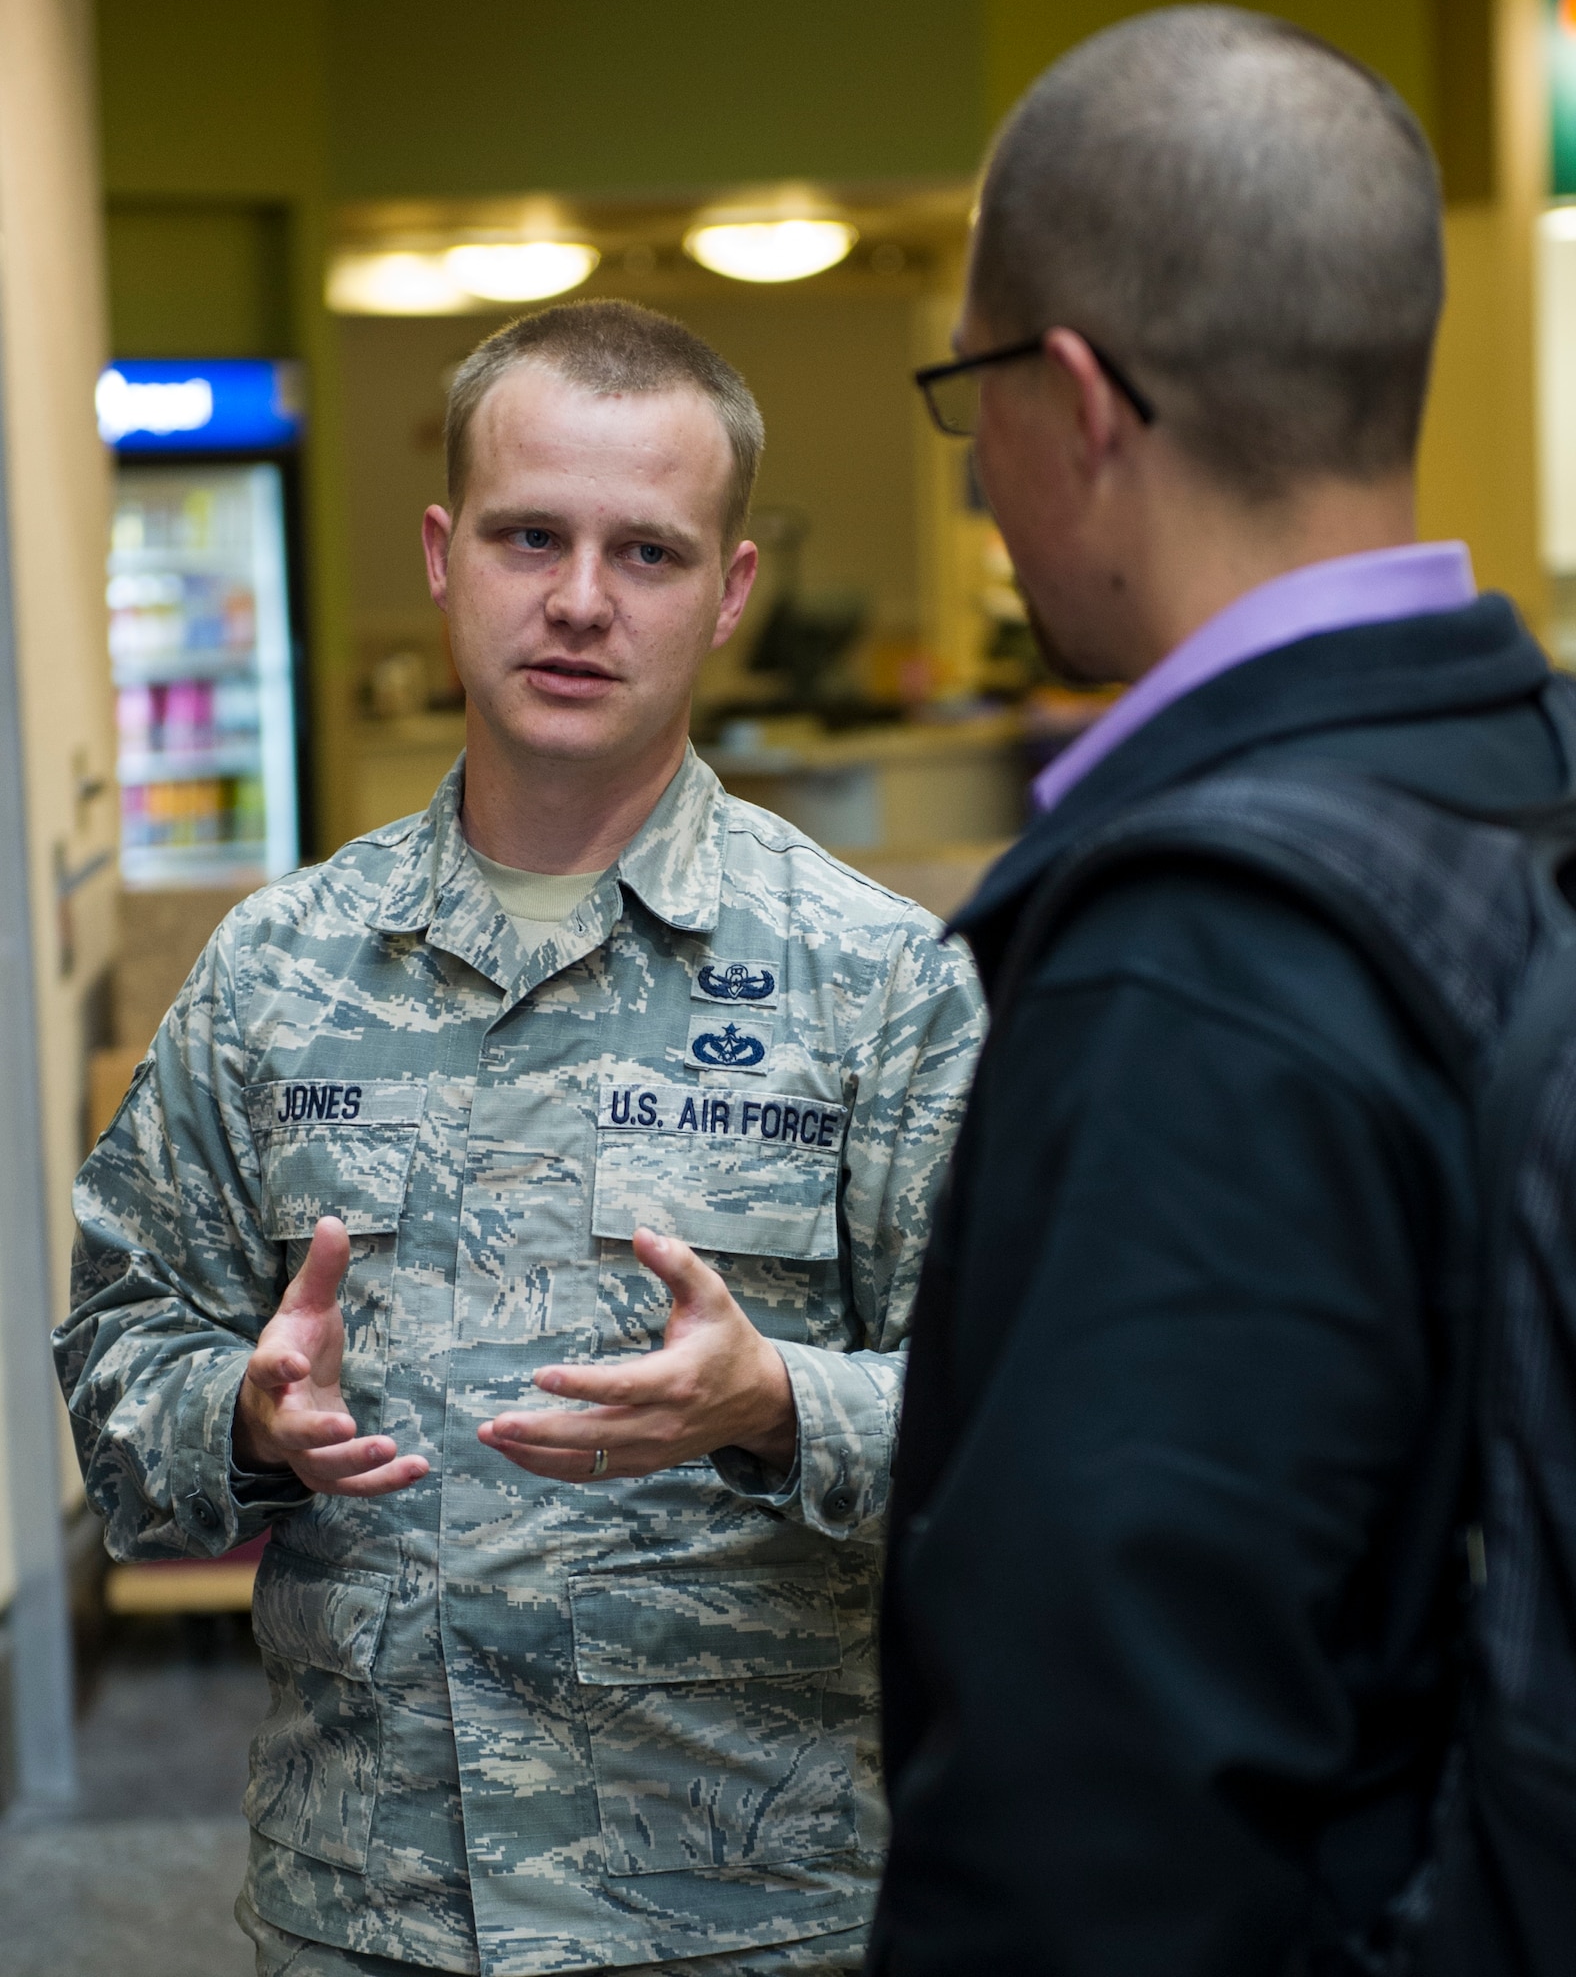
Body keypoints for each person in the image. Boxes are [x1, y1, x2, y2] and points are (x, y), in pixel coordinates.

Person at [57, 299, 983, 1977]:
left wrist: (780, 1403)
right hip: (372, 1910)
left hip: (746, 1918)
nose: (577, 599)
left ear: (732, 591)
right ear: (441, 552)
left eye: (646, 551)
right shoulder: (276, 975)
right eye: (528, 535)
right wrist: (247, 1421)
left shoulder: (880, 985)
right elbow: (117, 1361)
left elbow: (1026, 1426)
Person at [870, 6, 1566, 1977]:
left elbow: (1098, 1822)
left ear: (1073, 400)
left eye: (969, 389)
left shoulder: (1199, 965)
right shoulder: (1526, 776)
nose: (986, 470)